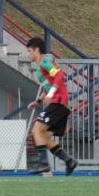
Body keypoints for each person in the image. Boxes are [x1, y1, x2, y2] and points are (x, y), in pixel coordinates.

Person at [26, 37, 77, 176]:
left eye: (29, 51)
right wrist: (38, 101)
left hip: (58, 102)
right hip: (60, 103)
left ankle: (43, 164)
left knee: (36, 131)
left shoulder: (44, 62)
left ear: (37, 50)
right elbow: (47, 87)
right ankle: (69, 161)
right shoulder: (40, 67)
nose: (28, 54)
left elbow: (60, 76)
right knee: (44, 137)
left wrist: (53, 93)